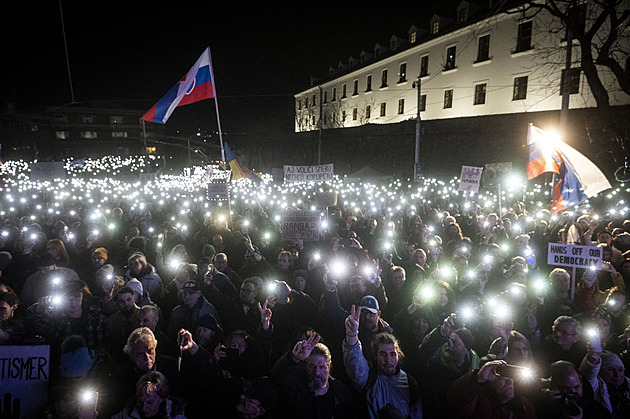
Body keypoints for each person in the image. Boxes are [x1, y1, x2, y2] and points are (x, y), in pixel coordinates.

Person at [342, 305, 422, 419]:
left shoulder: (409, 383)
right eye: (383, 354)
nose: (388, 360)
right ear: (375, 355)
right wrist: (352, 335)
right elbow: (354, 362)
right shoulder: (369, 377)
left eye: (392, 354)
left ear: (398, 355)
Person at [271, 333, 355, 418]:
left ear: (329, 366)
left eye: (321, 367)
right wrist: (293, 358)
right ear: (306, 365)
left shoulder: (340, 393)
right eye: (312, 366)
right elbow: (276, 378)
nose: (317, 372)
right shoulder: (296, 387)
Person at [447, 359, 537, 418]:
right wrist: (478, 378)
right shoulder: (478, 406)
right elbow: (456, 398)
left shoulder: (525, 405)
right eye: (502, 377)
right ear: (489, 380)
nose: (509, 382)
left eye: (511, 377)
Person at [112, 371, 186, 419]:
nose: (144, 408)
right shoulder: (127, 413)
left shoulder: (176, 415)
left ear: (162, 398)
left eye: (150, 402)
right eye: (140, 402)